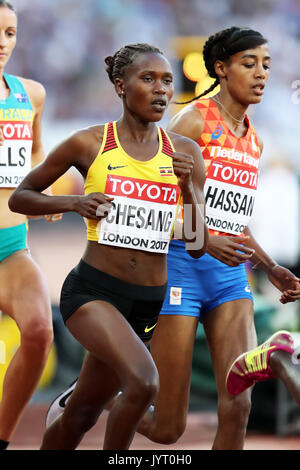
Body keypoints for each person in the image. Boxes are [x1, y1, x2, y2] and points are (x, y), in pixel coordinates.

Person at [44, 27, 300, 450]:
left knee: (237, 407)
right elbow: (154, 205)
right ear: (221, 68)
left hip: (231, 280)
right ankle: (97, 395)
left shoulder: (253, 138)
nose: (261, 74)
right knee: (166, 429)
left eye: (267, 65)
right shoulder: (193, 120)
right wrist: (202, 239)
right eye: (249, 64)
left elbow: (233, 219)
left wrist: (269, 266)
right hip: (180, 268)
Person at [9, 43, 208, 450]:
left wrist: (187, 189)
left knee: (81, 412)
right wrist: (74, 203)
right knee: (143, 382)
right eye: (147, 79)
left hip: (147, 302)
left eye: (167, 81)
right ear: (120, 85)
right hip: (93, 292)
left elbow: (198, 244)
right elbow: (21, 197)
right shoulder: (89, 143)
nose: (160, 90)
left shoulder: (185, 153)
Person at [0, 1, 62, 450]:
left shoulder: (31, 94)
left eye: (9, 33)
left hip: (10, 247)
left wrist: (45, 188)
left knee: (39, 332)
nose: (3, 43)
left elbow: (35, 155)